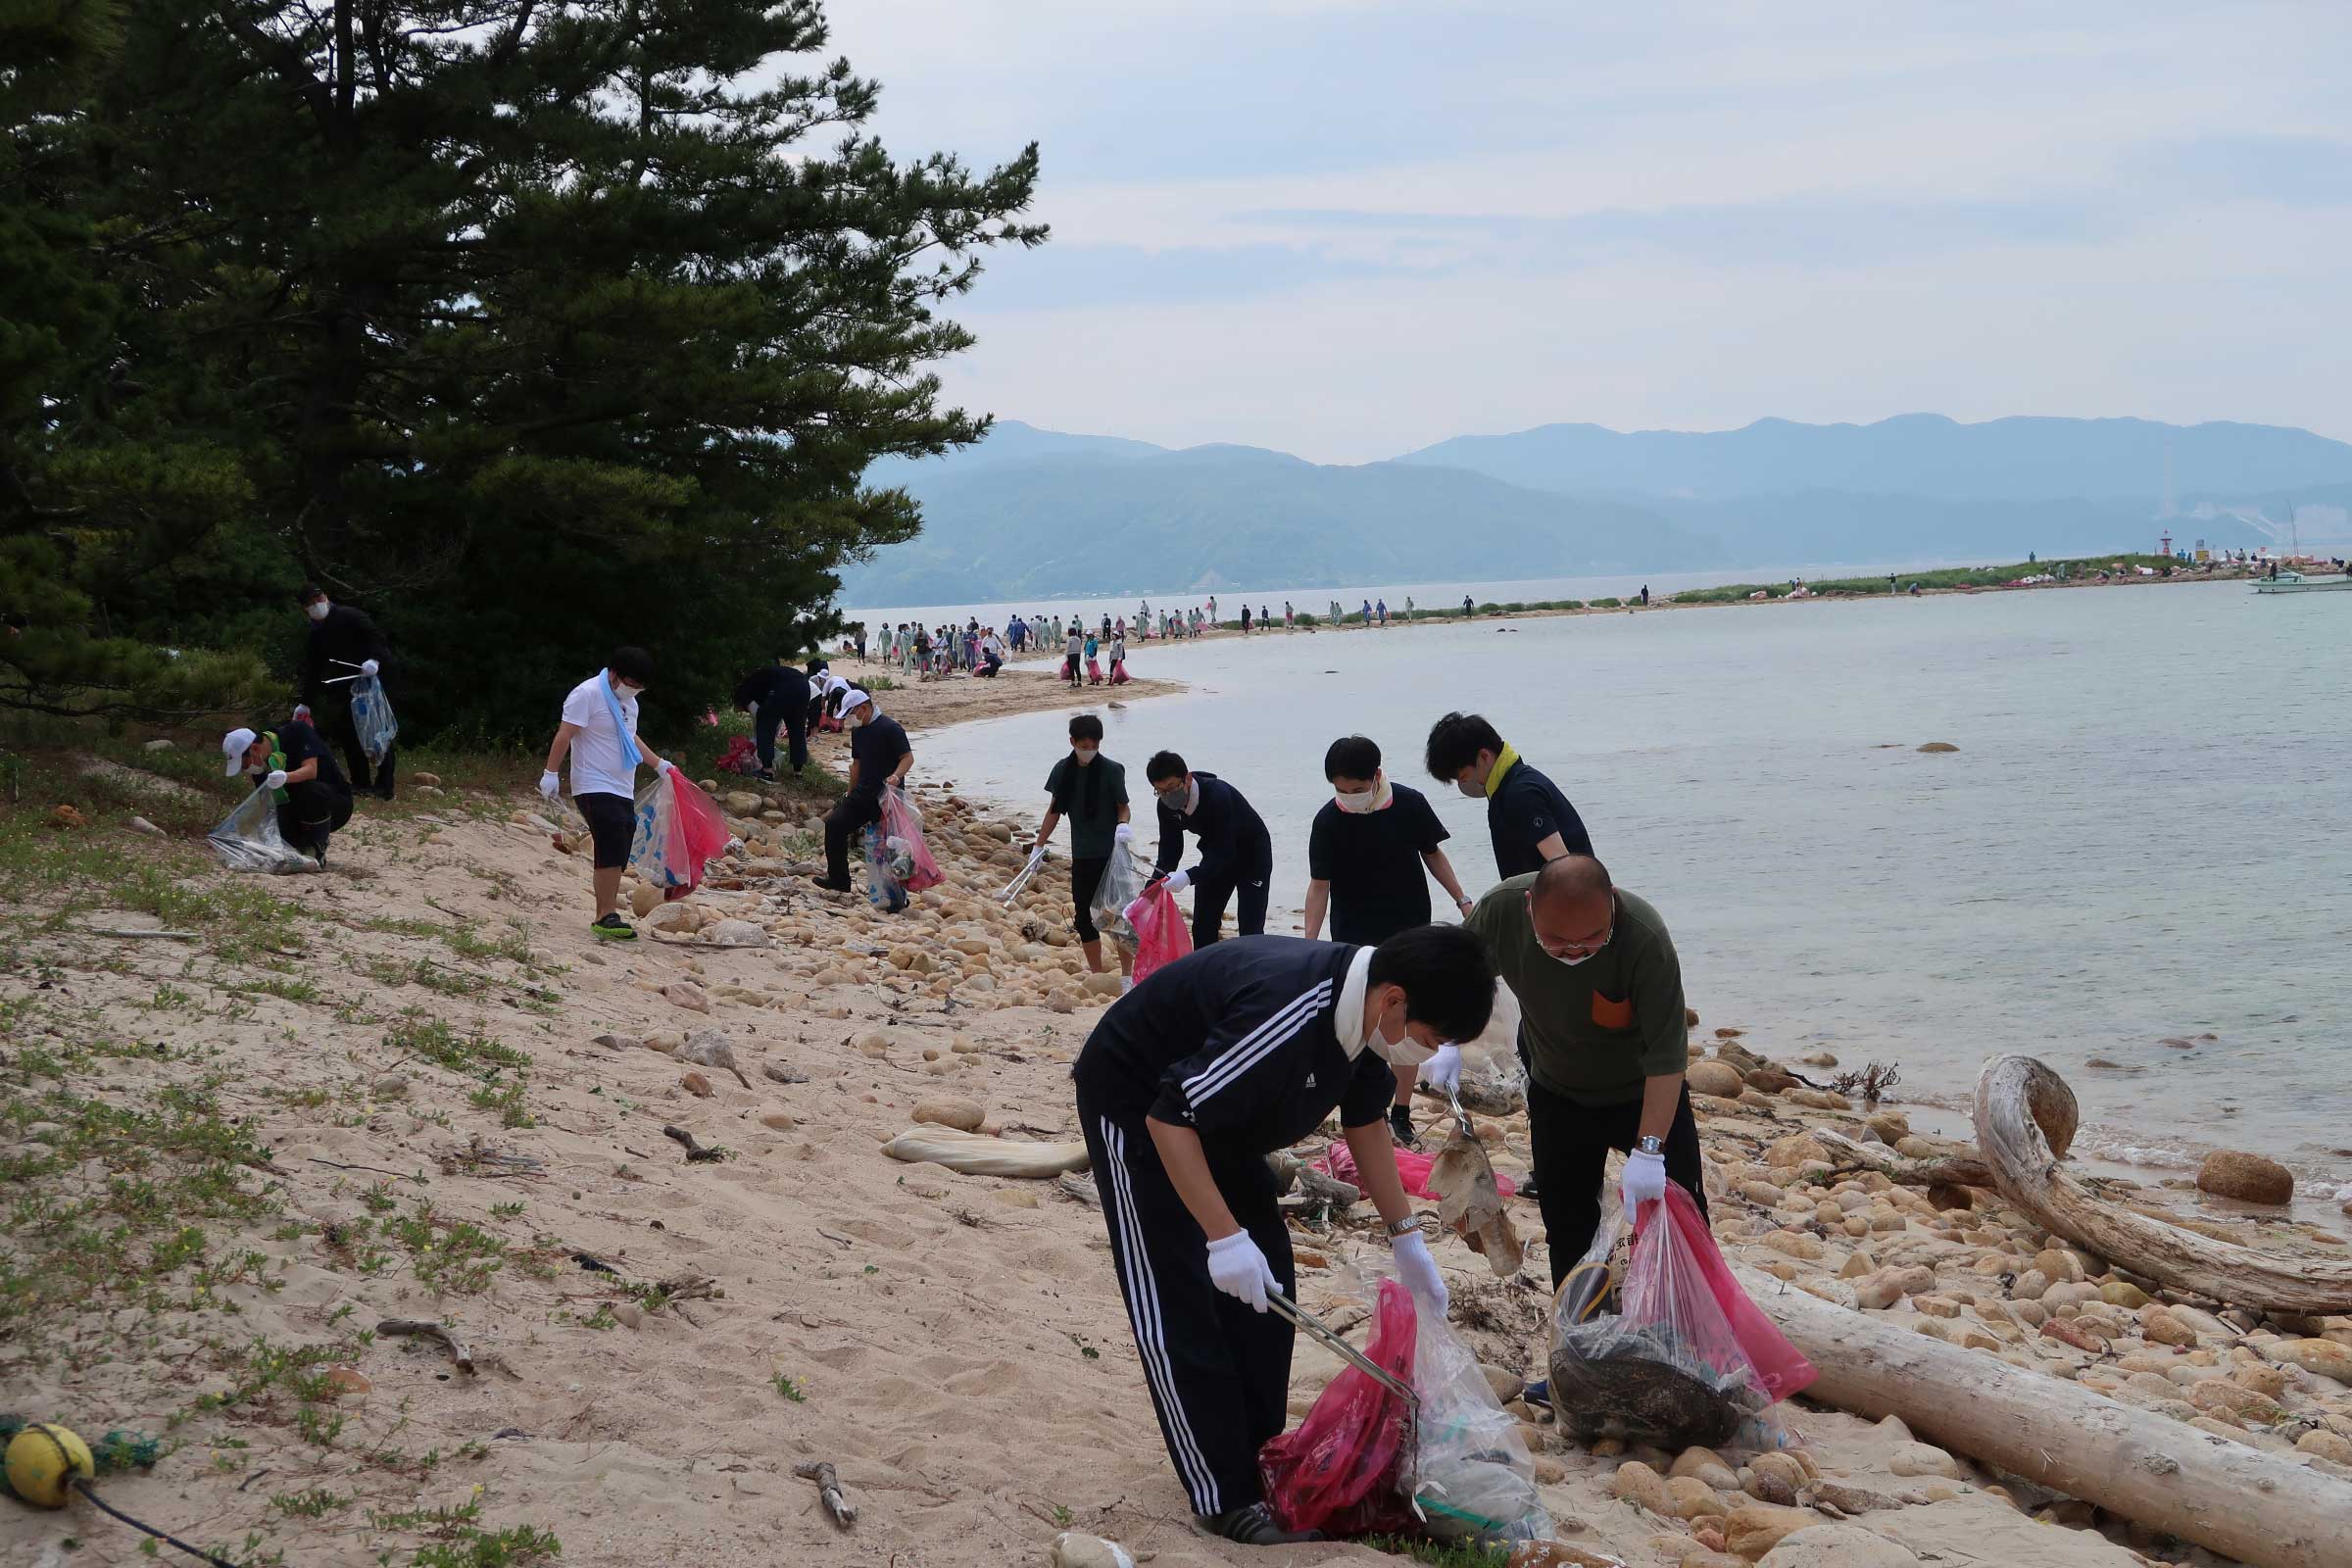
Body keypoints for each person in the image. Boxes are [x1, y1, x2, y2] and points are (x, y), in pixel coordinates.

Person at [1072, 923, 1493, 1545]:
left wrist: (1407, 1238)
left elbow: (1366, 1122)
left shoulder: (1370, 1023)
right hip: (1138, 1106)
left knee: (1269, 1293)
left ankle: (1259, 1462)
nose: (1425, 1057)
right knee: (1176, 1296)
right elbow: (1170, 1116)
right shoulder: (1289, 1012)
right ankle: (1221, 1494)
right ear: (1394, 1001)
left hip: (1222, 1121)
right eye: (1429, 1039)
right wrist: (1220, 1237)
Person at [1465, 856, 1703, 1282]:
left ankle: (1688, 1327)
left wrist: (1649, 1150)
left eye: (1592, 939)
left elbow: (1667, 1054)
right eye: (1555, 939)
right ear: (1528, 909)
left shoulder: (1643, 937)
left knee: (1684, 1219)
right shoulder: (1500, 912)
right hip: (1558, 1092)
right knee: (1568, 1227)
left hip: (1641, 1094)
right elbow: (1459, 975)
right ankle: (1576, 1328)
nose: (1574, 949)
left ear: (1611, 904)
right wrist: (1447, 1041)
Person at [1302, 736, 1477, 1147]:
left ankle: (1401, 1112)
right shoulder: (1328, 820)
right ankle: (1367, 1109)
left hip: (1410, 931)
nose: (1350, 798)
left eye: (1358, 790)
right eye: (1341, 791)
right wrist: (1309, 943)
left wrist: (1463, 899)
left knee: (1409, 1024)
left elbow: (1432, 854)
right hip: (1353, 936)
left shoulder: (1410, 804)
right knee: (1362, 1024)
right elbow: (1318, 885)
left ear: (1377, 775)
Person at [538, 647, 672, 940]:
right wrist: (551, 773)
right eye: (630, 683)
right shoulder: (586, 694)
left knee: (623, 835)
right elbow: (565, 733)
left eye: (640, 687)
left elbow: (630, 737)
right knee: (611, 835)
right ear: (613, 674)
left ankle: (607, 912)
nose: (633, 690)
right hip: (592, 782)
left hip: (622, 784)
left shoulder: (630, 705)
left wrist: (659, 764)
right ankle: (605, 915)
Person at [1425, 710, 1593, 880]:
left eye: (1463, 777)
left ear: (1484, 756)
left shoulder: (1521, 793)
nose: (1463, 784)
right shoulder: (1507, 787)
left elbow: (1566, 869)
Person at [1035, 714, 1136, 986]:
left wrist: (1123, 825)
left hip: (1114, 856)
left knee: (1120, 916)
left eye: (1094, 745)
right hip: (1083, 855)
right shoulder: (1062, 771)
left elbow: (1123, 806)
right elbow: (1054, 810)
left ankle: (1127, 978)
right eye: (1084, 744)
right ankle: (1097, 975)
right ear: (1073, 742)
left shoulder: (1112, 770)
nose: (1089, 749)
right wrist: (1038, 846)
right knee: (1084, 918)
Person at [1146, 752, 1274, 950]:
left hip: (1252, 855)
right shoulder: (1165, 806)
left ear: (1187, 779)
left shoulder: (1216, 795)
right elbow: (1170, 850)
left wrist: (1189, 876)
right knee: (1203, 925)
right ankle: (1206, 978)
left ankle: (1252, 977)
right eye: (1160, 791)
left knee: (1250, 928)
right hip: (1215, 852)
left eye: (1172, 787)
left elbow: (1225, 852)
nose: (1168, 796)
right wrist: (1151, 889)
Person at [295, 584, 397, 801]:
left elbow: (377, 636)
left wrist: (374, 659)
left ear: (325, 596)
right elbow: (314, 668)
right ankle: (360, 782)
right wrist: (305, 703)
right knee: (348, 731)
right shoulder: (316, 632)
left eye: (318, 598)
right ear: (305, 608)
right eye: (310, 603)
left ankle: (385, 785)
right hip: (345, 684)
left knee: (378, 731)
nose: (317, 604)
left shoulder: (350, 615)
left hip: (373, 678)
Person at [810, 687, 912, 901]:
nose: (849, 720)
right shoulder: (858, 731)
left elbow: (907, 758)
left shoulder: (890, 728)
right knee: (835, 824)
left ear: (864, 708)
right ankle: (839, 880)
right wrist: (849, 793)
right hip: (862, 794)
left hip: (886, 798)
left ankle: (896, 895)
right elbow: (856, 764)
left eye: (851, 713)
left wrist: (895, 776)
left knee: (889, 846)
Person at [221, 715, 354, 866]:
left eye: (244, 765)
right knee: (281, 838)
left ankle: (316, 849)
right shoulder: (259, 769)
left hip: (335, 803)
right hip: (297, 810)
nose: (245, 770)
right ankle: (300, 846)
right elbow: (267, 806)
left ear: (255, 748)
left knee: (307, 789)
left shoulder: (297, 731)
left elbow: (311, 770)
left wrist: (286, 777)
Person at [731, 657, 810, 779]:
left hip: (785, 686)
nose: (739, 711)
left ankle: (767, 771)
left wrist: (758, 741)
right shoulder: (761, 680)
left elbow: (759, 717)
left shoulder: (743, 692)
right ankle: (798, 773)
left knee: (764, 722)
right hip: (803, 685)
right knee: (797, 729)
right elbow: (774, 714)